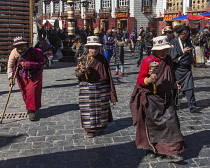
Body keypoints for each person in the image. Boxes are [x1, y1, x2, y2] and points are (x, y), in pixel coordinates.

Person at [130, 35, 187, 162]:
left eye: (165, 49)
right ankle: (151, 147)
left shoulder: (168, 59)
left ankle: (172, 151)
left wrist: (174, 84)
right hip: (152, 98)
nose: (163, 52)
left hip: (167, 96)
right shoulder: (147, 61)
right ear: (154, 50)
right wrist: (148, 80)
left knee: (171, 123)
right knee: (153, 125)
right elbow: (140, 80)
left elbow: (170, 75)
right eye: (160, 50)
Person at [75, 36, 118, 138]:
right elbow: (77, 73)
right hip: (87, 88)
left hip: (101, 88)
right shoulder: (83, 58)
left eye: (95, 48)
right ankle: (90, 129)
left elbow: (108, 75)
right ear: (87, 48)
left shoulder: (102, 59)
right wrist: (82, 71)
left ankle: (100, 126)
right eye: (91, 48)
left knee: (101, 109)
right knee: (88, 109)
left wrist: (110, 91)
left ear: (99, 49)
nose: (93, 50)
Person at [7, 36, 45, 121]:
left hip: (35, 75)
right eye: (17, 46)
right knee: (25, 92)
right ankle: (31, 107)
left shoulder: (35, 51)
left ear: (26, 45)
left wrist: (28, 64)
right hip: (21, 75)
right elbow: (10, 65)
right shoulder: (14, 52)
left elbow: (41, 62)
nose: (19, 47)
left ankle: (31, 110)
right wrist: (10, 77)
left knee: (33, 91)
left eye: (21, 45)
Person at [169, 26, 200, 113]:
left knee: (189, 87)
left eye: (186, 35)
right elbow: (172, 56)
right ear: (179, 34)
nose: (185, 36)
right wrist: (183, 51)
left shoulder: (187, 41)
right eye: (183, 34)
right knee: (175, 87)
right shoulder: (174, 42)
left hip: (187, 68)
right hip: (177, 67)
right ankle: (174, 104)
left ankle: (192, 105)